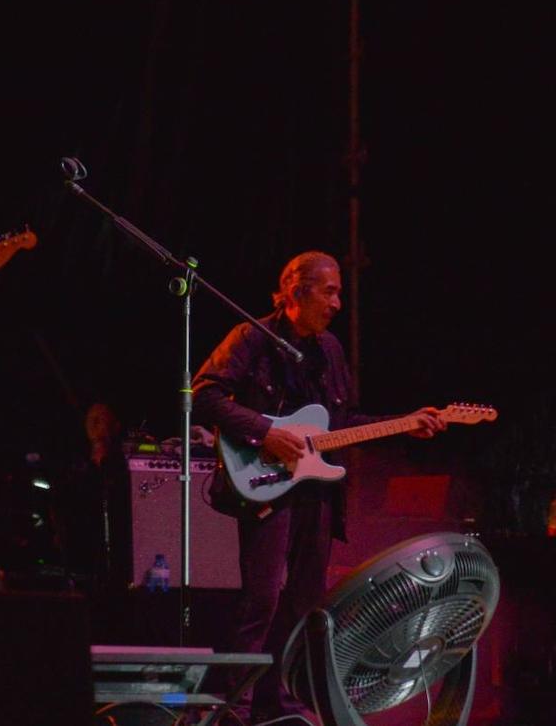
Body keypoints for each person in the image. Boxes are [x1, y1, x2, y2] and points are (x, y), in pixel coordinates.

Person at [191, 251, 445, 721]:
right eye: (329, 291)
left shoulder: (329, 350)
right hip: (264, 482)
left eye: (340, 293)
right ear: (296, 290)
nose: (337, 302)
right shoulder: (253, 337)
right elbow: (203, 393)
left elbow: (344, 423)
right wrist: (265, 432)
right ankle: (232, 710)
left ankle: (281, 705)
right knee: (263, 598)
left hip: (315, 491)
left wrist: (404, 424)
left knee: (305, 605)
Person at [49, 402, 134, 594]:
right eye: (91, 418)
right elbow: (59, 503)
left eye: (101, 417)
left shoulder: (123, 467)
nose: (94, 422)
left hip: (115, 561)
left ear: (115, 425)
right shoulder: (76, 467)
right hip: (81, 558)